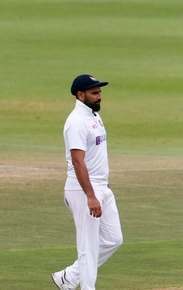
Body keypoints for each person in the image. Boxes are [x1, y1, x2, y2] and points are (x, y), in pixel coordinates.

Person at [51, 74, 123, 290]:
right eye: (94, 93)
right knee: (88, 247)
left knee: (114, 239)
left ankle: (69, 278)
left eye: (99, 92)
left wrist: (102, 187)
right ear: (80, 95)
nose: (99, 96)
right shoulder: (76, 122)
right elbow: (77, 161)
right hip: (83, 190)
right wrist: (90, 195)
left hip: (101, 187)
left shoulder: (94, 116)